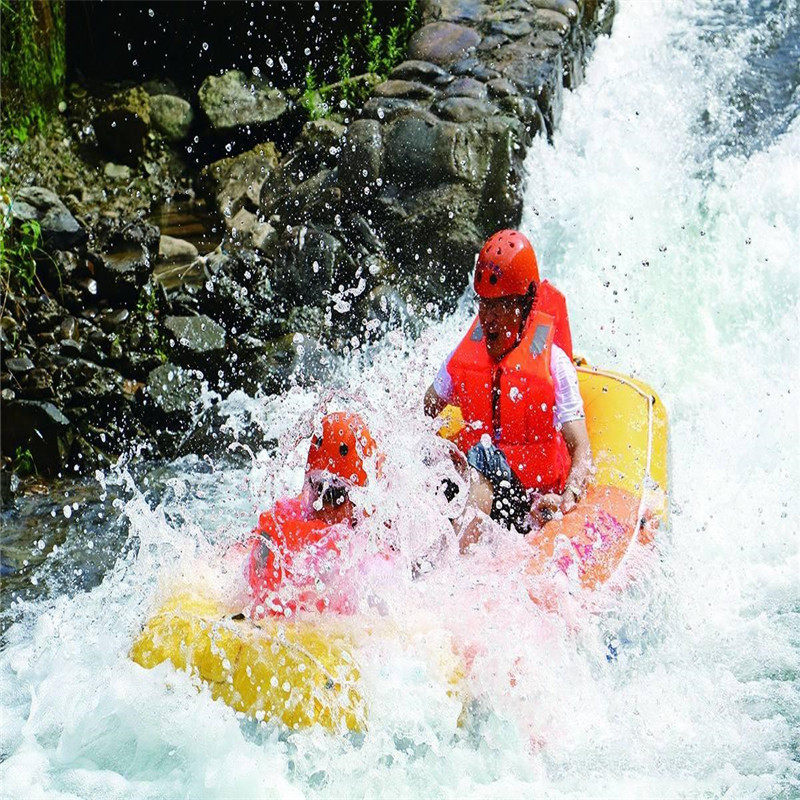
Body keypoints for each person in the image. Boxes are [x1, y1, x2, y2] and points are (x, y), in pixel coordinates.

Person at [424, 229, 594, 549]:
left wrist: (567, 497)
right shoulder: (463, 358)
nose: (487, 318)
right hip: (482, 495)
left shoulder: (555, 364)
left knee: (485, 454)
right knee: (442, 462)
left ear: (525, 303)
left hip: (530, 507)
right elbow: (424, 412)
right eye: (483, 305)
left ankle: (457, 563)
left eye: (499, 306)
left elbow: (582, 451)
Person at [246, 411, 382, 617]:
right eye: (322, 493)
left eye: (335, 496)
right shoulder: (360, 557)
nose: (325, 509)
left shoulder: (277, 523)